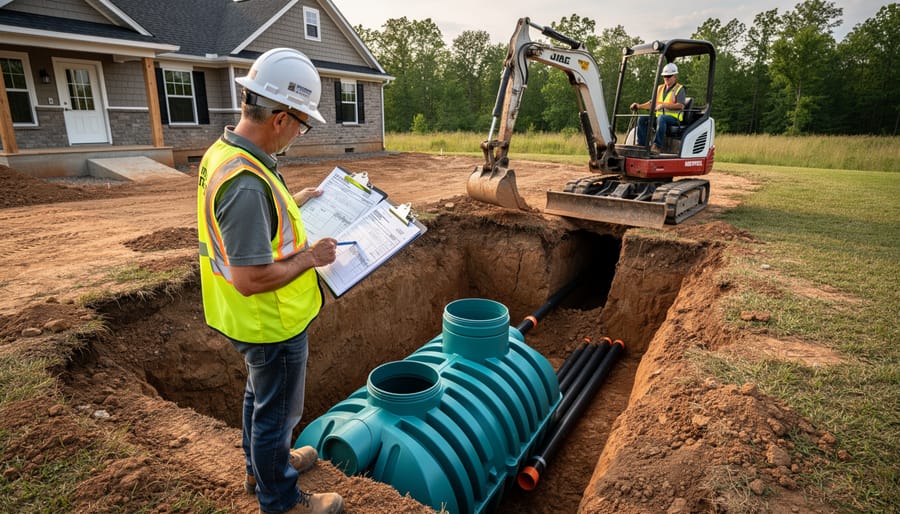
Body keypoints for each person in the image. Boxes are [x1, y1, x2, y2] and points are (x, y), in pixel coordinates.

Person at [196, 47, 343, 514]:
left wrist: (292, 199)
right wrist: (311, 257)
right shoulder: (244, 182)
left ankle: (259, 468)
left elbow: (256, 221)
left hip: (251, 321)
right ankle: (281, 499)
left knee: (260, 399)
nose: (300, 134)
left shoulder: (233, 154)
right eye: (302, 123)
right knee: (276, 416)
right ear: (279, 117)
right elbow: (250, 277)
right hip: (268, 321)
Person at [630, 62, 686, 154]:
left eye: (669, 76)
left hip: (674, 119)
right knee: (642, 119)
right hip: (660, 118)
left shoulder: (680, 89)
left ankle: (657, 146)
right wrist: (639, 106)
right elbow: (652, 103)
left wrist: (664, 105)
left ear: (675, 76)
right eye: (665, 76)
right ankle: (642, 145)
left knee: (661, 118)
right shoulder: (660, 88)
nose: (666, 78)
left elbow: (681, 105)